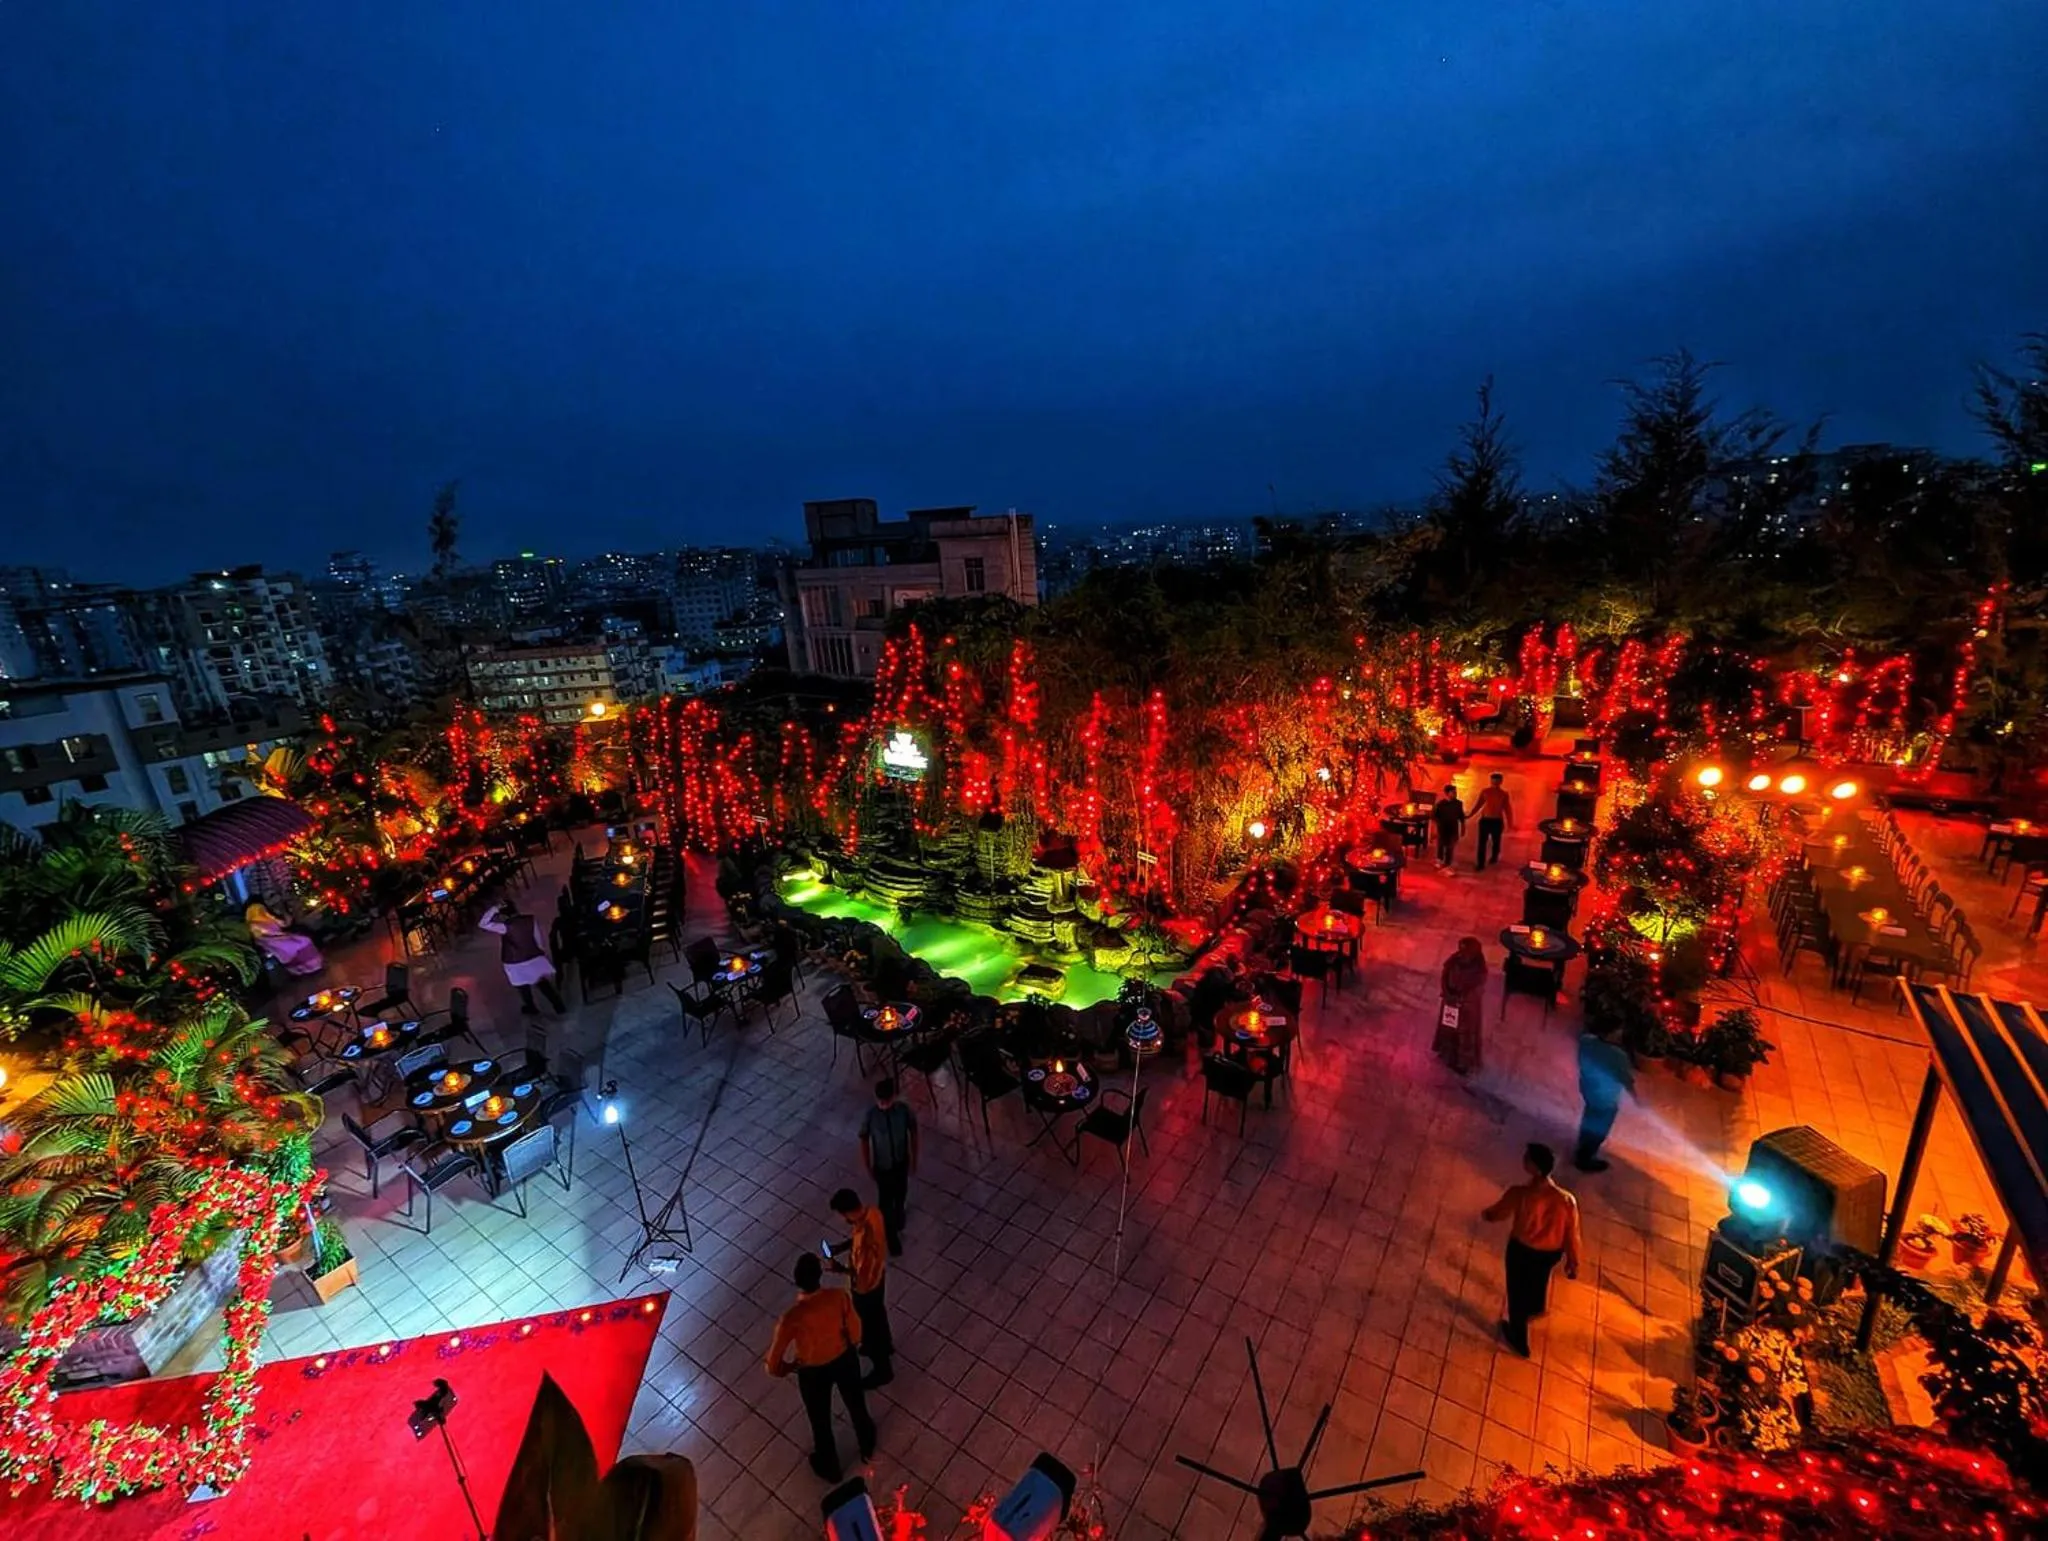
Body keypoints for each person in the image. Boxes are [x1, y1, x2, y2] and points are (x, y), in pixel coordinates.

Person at [763, 1253, 875, 1480]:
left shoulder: (791, 1318)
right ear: (819, 1276)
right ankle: (867, 1445)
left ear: (797, 1281)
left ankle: (830, 1467)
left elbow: (773, 1364)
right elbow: (856, 1329)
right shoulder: (838, 1297)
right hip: (844, 1359)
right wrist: (850, 1343)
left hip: (813, 1372)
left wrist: (789, 1367)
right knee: (856, 1404)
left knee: (820, 1422)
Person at [1482, 1143, 1583, 1357]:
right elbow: (1572, 1233)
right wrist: (1573, 1262)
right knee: (1539, 1280)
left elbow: (1497, 1213)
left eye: (1527, 1158)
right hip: (1549, 1254)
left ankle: (1518, 1337)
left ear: (1535, 1168)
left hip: (1522, 1250)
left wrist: (1488, 1215)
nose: (1523, 1160)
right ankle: (1534, 1308)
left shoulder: (1520, 1194)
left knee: (1517, 1290)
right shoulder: (1566, 1200)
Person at [829, 1187, 894, 1388]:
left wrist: (840, 1269)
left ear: (845, 1212)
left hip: (866, 1290)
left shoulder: (863, 1235)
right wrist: (841, 1247)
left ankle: (882, 1370)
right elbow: (860, 1240)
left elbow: (860, 1274)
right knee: (879, 1316)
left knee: (869, 1327)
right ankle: (887, 1344)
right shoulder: (873, 1213)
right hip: (879, 1277)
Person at [859, 1078, 918, 1256]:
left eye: (887, 1100)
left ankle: (899, 1216)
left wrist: (914, 1158)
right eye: (880, 1101)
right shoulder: (871, 1116)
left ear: (894, 1097)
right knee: (885, 1204)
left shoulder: (903, 1112)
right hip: (882, 1168)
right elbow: (863, 1139)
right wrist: (867, 1165)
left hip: (900, 1163)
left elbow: (913, 1132)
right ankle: (891, 1238)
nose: (883, 1104)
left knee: (900, 1194)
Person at [479, 899, 565, 1014]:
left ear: (503, 915)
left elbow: (483, 924)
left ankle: (531, 1008)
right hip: (533, 956)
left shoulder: (505, 927)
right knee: (542, 983)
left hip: (514, 962)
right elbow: (538, 939)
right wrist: (539, 953)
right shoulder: (530, 920)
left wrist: (494, 909)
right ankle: (559, 1006)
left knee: (523, 987)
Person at [1575, 1024, 1635, 1172]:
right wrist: (1636, 1097)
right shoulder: (1618, 1056)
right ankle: (1585, 1158)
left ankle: (1582, 1146)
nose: (1620, 1036)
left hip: (1588, 1091)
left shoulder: (1586, 1042)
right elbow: (1625, 1079)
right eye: (1617, 1032)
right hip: (1606, 1098)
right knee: (1600, 1126)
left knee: (1589, 1116)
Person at [1433, 937, 1488, 1075]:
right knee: (1448, 1030)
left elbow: (1477, 990)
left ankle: (1463, 1062)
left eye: (1465, 950)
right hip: (1451, 1003)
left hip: (1466, 1010)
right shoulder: (1454, 960)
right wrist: (1447, 993)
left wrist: (1462, 999)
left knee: (1465, 1036)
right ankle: (1447, 1053)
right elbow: (1445, 974)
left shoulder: (1478, 970)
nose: (1462, 953)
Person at [244, 900, 325, 976]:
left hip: (283, 939)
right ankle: (307, 968)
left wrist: (280, 913)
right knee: (301, 943)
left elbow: (284, 924)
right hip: (276, 943)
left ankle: (313, 966)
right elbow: (263, 937)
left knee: (304, 941)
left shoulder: (267, 918)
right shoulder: (254, 925)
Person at [1472, 772, 1514, 871]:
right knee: (1482, 842)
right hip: (1485, 820)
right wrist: (1470, 814)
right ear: (1490, 781)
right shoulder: (1485, 792)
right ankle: (1480, 863)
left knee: (1496, 842)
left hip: (1497, 821)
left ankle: (1494, 857)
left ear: (1501, 782)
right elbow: (1478, 804)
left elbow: (1507, 808)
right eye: (1493, 780)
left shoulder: (1503, 794)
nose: (1495, 782)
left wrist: (1510, 822)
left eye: (1497, 781)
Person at [1431, 782, 1467, 871]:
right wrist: (1434, 829)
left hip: (1453, 828)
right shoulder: (1440, 804)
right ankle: (1439, 861)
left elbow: (1461, 817)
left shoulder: (1458, 804)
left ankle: (1447, 863)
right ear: (1447, 793)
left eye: (1456, 792)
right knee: (1441, 845)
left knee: (1450, 846)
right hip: (1442, 828)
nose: (1455, 794)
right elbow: (1434, 817)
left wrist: (1463, 827)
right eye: (1453, 792)